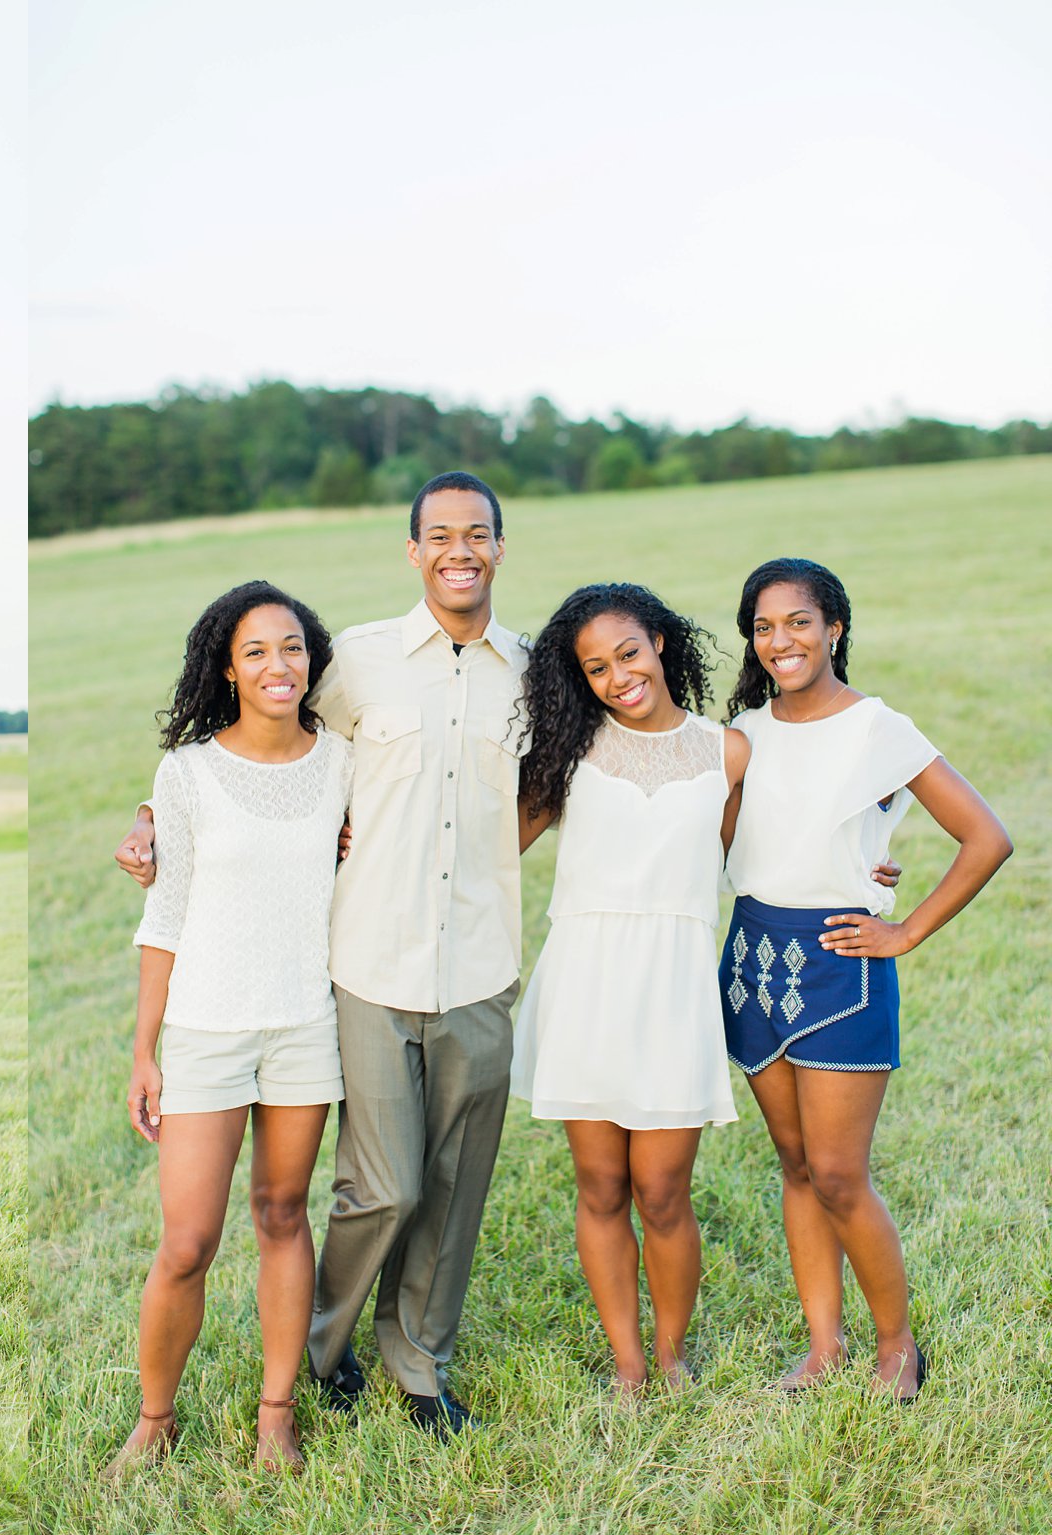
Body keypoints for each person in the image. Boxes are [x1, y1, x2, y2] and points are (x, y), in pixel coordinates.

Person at [119, 471, 527, 1434]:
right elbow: (183, 868)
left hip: (398, 984)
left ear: (501, 546)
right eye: (439, 533)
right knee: (279, 1215)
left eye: (478, 533)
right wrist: (148, 821)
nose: (459, 548)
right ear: (414, 548)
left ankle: (351, 1386)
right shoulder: (347, 671)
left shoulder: (515, 674)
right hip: (291, 994)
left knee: (371, 1198)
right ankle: (224, 1391)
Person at [720, 558, 1009, 1401]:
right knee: (796, 1165)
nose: (782, 641)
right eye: (766, 627)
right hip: (751, 959)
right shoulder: (745, 730)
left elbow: (985, 837)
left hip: (841, 963)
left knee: (841, 1172)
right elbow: (729, 842)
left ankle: (895, 1347)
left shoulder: (878, 726)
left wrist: (905, 927)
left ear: (835, 626)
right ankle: (824, 1345)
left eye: (799, 622)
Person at [114, 582, 349, 1474]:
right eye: (256, 652)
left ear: (311, 658)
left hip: (304, 1023)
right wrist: (144, 1048)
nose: (277, 665)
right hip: (206, 1029)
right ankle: (154, 1417)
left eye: (291, 647)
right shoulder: (186, 775)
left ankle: (276, 1414)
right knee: (188, 1240)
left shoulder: (342, 763)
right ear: (227, 667)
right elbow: (164, 916)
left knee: (283, 1212)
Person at [508, 584, 746, 1397]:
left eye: (629, 653)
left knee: (664, 1190)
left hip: (674, 986)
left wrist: (870, 874)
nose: (618, 676)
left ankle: (673, 1351)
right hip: (585, 981)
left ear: (662, 643)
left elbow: (761, 858)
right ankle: (630, 1363)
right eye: (596, 667)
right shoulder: (571, 751)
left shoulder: (728, 752)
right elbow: (490, 844)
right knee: (602, 1185)